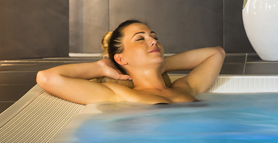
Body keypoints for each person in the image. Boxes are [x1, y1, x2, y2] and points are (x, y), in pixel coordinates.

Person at [35, 20, 225, 105]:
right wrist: (99, 67)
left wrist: (161, 64)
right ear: (121, 59)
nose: (153, 41)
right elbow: (47, 78)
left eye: (154, 37)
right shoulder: (120, 95)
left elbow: (216, 54)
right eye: (140, 38)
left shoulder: (184, 87)